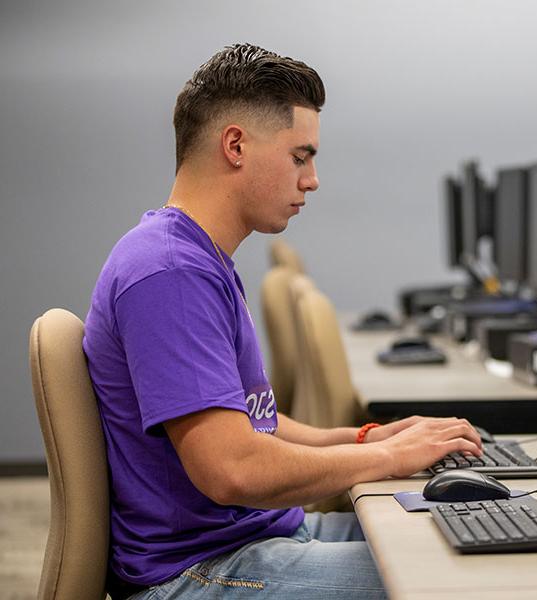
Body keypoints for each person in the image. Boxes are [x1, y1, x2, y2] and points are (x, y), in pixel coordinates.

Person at [83, 43, 483, 600]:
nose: (312, 179)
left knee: (474, 534)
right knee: (472, 579)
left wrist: (365, 436)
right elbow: (233, 469)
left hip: (253, 534)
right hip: (195, 572)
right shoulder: (169, 272)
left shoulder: (198, 258)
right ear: (236, 145)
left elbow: (252, 423)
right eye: (300, 156)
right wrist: (387, 459)